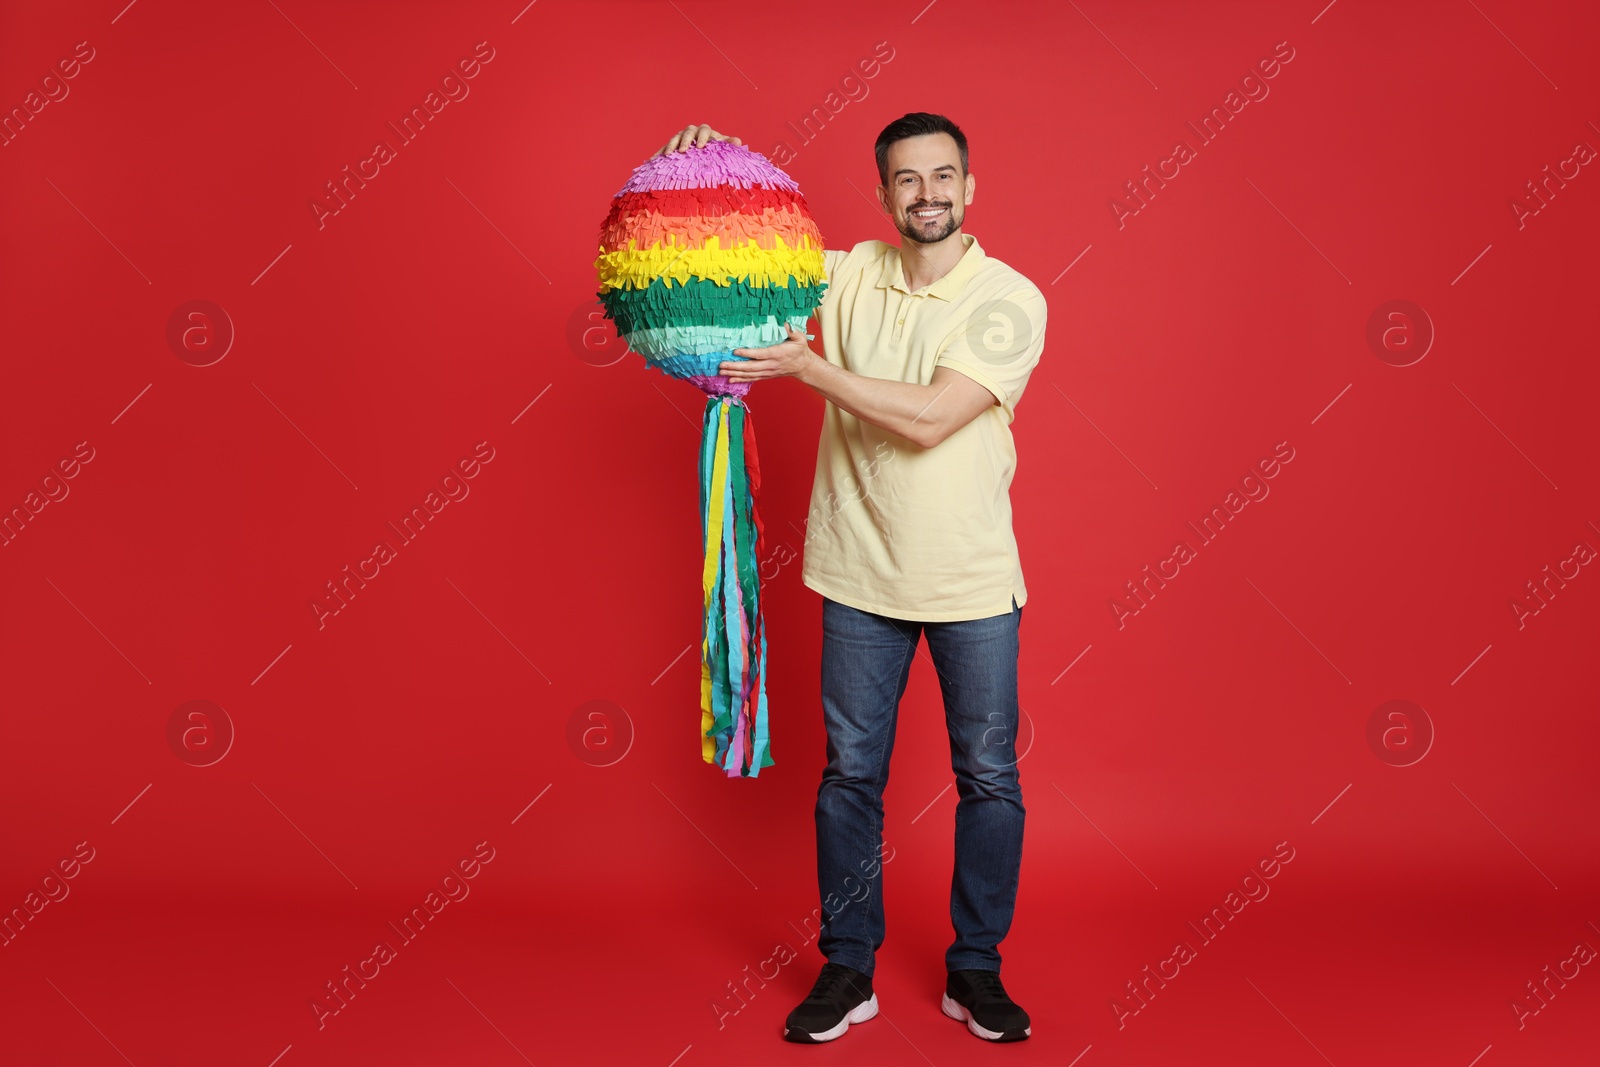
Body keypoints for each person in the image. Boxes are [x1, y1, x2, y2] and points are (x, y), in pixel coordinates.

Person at [655, 113, 1047, 1044]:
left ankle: (976, 971)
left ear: (971, 188)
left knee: (989, 777)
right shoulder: (852, 269)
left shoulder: (1010, 298)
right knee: (850, 778)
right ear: (883, 196)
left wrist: (808, 369)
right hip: (858, 575)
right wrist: (704, 166)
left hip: (972, 584)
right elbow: (741, 257)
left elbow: (927, 419)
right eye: (907, 181)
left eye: (944, 177)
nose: (928, 196)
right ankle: (848, 966)